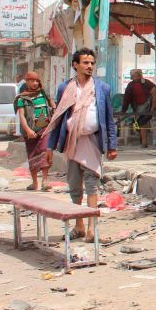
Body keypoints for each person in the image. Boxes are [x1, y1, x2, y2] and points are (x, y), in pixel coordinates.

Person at [44, 48, 118, 241]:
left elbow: (109, 118)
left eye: (92, 63)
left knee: (92, 183)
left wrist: (112, 145)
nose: (90, 66)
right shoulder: (65, 88)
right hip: (72, 142)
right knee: (75, 186)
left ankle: (93, 229)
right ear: (75, 65)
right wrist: (50, 147)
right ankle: (79, 226)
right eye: (85, 63)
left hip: (92, 141)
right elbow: (58, 118)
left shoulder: (102, 88)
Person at [15, 72, 55, 191]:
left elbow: (53, 105)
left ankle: (45, 180)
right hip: (30, 131)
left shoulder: (43, 93)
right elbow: (21, 116)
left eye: (37, 81)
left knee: (44, 152)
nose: (35, 83)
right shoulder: (22, 98)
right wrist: (27, 130)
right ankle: (34, 182)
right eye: (32, 81)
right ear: (26, 82)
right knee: (32, 154)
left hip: (45, 129)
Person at [121, 69, 156, 148]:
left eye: (138, 75)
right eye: (134, 76)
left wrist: (153, 108)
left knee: (143, 122)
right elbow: (126, 98)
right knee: (141, 123)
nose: (136, 77)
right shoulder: (130, 85)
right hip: (138, 107)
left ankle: (145, 142)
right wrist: (123, 110)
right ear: (132, 77)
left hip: (149, 106)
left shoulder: (146, 83)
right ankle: (144, 142)